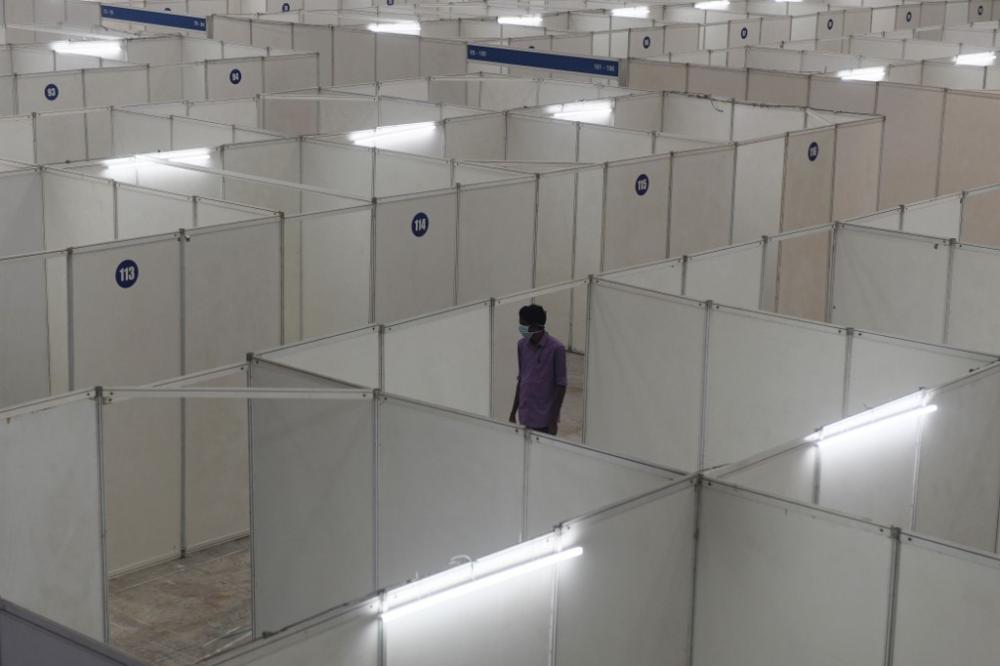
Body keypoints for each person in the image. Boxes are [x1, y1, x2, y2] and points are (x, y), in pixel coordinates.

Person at [509, 304, 567, 435]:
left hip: (544, 420)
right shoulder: (521, 345)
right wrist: (513, 412)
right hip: (525, 416)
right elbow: (521, 380)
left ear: (534, 326)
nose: (520, 328)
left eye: (523, 324)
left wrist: (553, 420)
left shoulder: (556, 349)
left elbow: (561, 385)